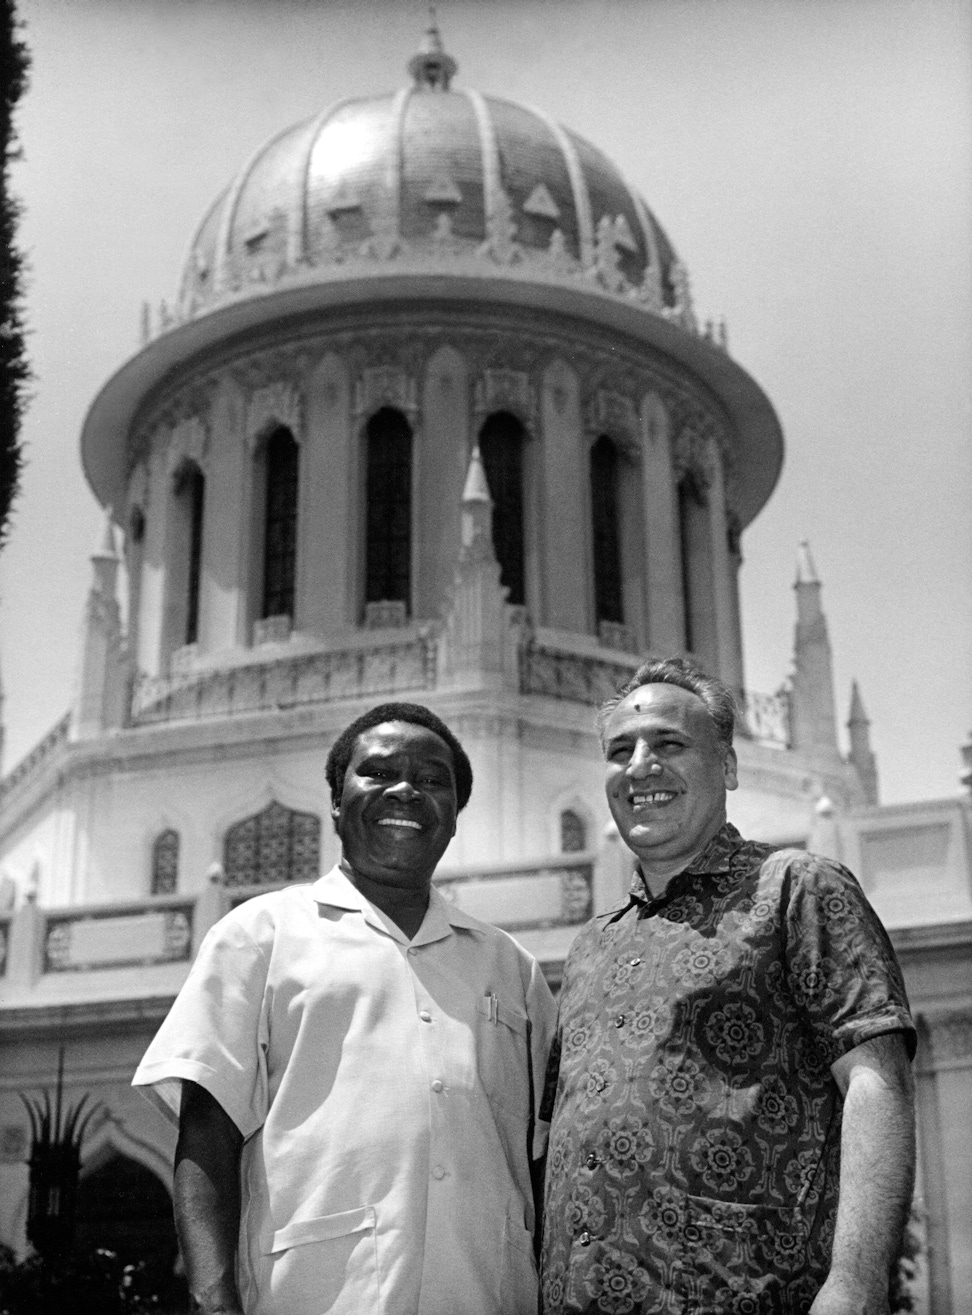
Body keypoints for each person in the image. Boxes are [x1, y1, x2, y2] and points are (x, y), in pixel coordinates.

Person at [134, 701, 556, 1315]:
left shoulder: (509, 966)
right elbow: (207, 1134)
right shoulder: (261, 934)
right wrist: (211, 1297)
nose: (407, 790)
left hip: (485, 1289)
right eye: (379, 773)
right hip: (314, 1292)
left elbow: (543, 1159)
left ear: (455, 817)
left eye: (434, 781)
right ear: (335, 801)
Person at [540, 657, 916, 1315]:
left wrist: (855, 1285)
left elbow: (876, 1081)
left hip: (744, 1292)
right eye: (620, 750)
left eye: (670, 743)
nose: (640, 766)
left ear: (730, 767)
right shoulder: (592, 946)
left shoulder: (796, 889)